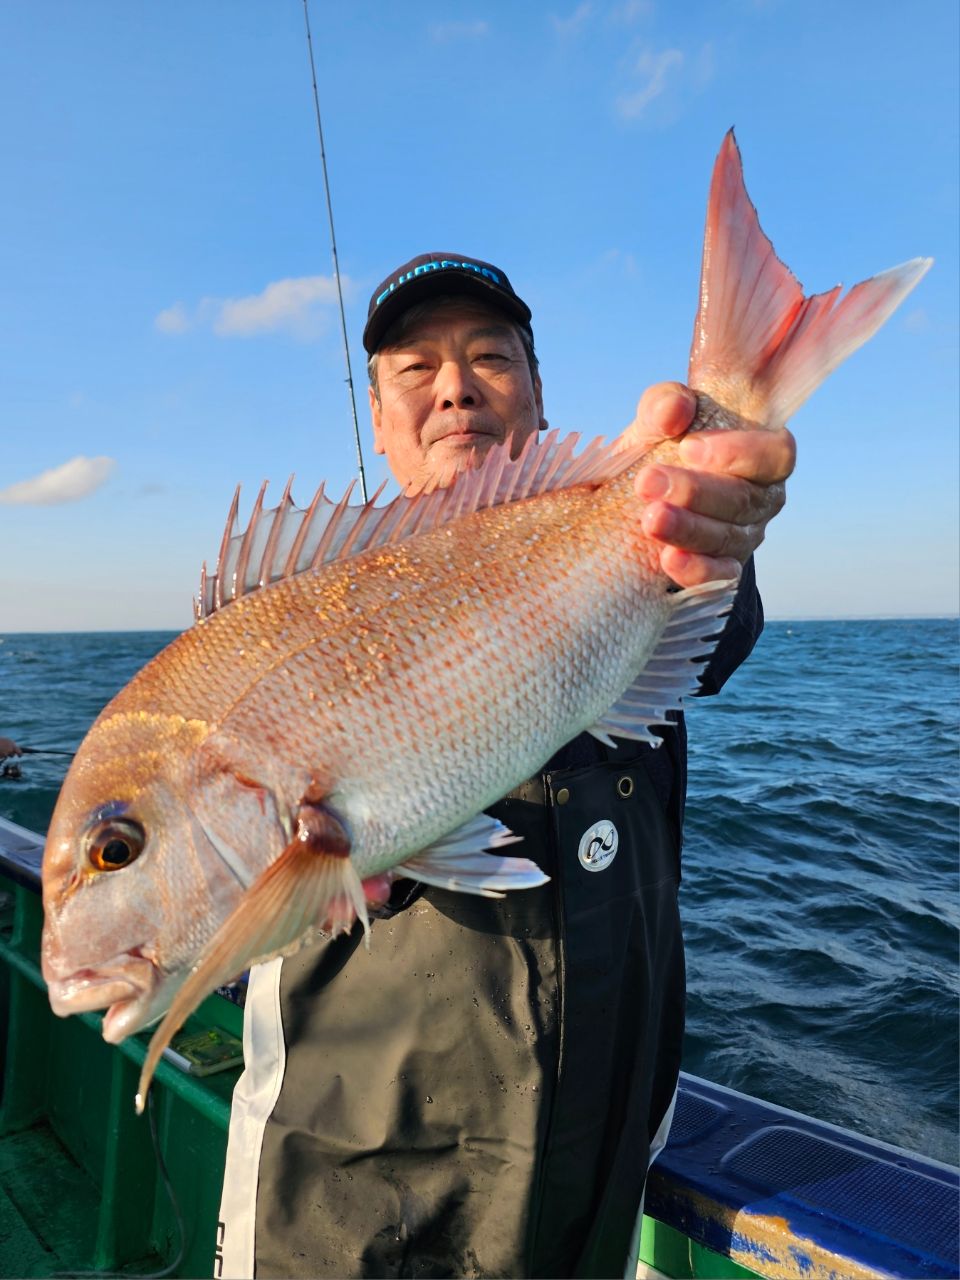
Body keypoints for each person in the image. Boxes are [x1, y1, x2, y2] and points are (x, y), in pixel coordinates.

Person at [216, 254, 794, 1279]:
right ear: (377, 417)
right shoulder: (295, 611)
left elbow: (719, 622)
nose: (455, 383)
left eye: (490, 356)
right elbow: (196, 860)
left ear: (537, 394)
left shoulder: (632, 564)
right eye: (415, 366)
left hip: (587, 1172)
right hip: (343, 1183)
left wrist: (717, 527)